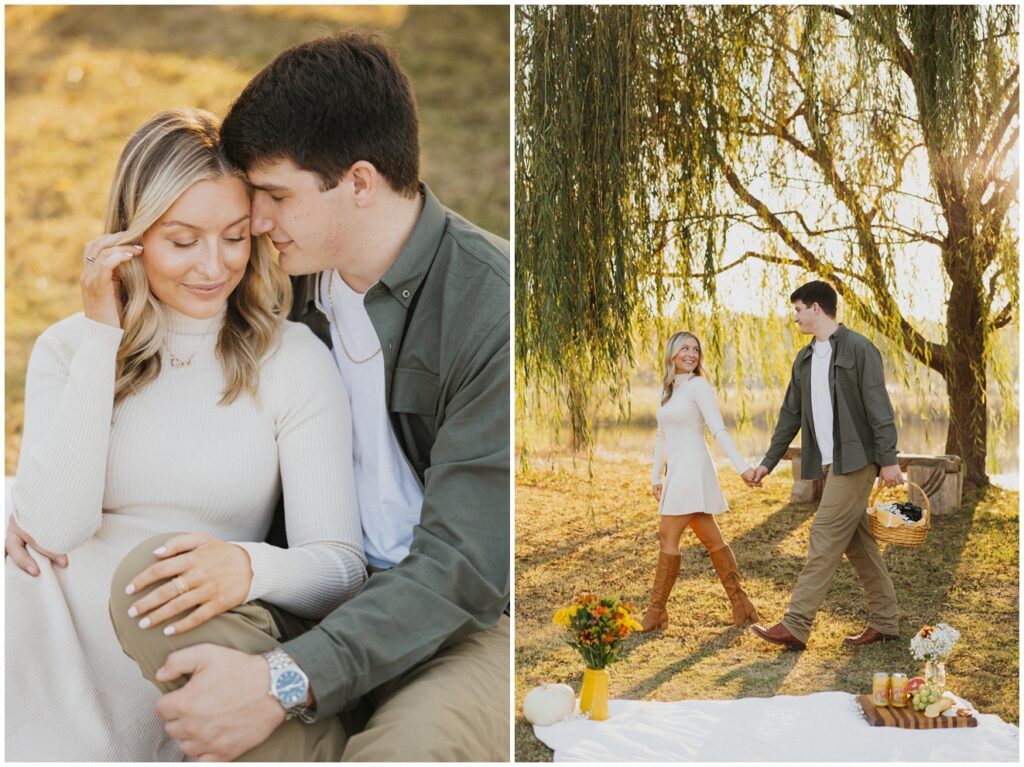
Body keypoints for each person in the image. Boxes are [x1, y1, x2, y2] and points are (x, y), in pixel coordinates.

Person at [108, 33, 510, 761]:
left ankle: (326, 728)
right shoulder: (273, 291)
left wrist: (283, 682)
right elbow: (156, 376)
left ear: (359, 182)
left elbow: (464, 567)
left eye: (275, 196)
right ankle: (316, 729)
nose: (254, 223)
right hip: (307, 600)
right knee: (149, 583)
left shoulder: (495, 306)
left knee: (405, 752)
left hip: (459, 623)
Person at [4, 108, 366, 761]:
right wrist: (102, 335)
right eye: (181, 239)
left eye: (234, 236)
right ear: (130, 239)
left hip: (162, 667)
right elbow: (54, 526)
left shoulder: (291, 360)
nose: (213, 265)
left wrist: (249, 565)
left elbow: (340, 568)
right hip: (34, 642)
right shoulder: (70, 348)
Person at [748, 280, 902, 651]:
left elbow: (879, 408)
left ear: (817, 308)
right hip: (829, 462)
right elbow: (790, 416)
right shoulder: (803, 359)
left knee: (823, 533)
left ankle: (796, 623)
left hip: (857, 460)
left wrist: (889, 460)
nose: (796, 317)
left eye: (799, 309)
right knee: (857, 543)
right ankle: (886, 622)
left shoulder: (860, 349)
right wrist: (768, 463)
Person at [643, 331, 760, 632]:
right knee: (711, 539)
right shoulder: (667, 390)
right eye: (685, 348)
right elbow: (661, 435)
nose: (691, 354)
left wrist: (742, 467)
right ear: (672, 353)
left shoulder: (698, 386)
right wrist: (657, 474)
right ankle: (741, 604)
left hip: (693, 467)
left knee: (667, 535)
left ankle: (656, 613)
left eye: (696, 349)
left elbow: (718, 429)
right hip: (677, 469)